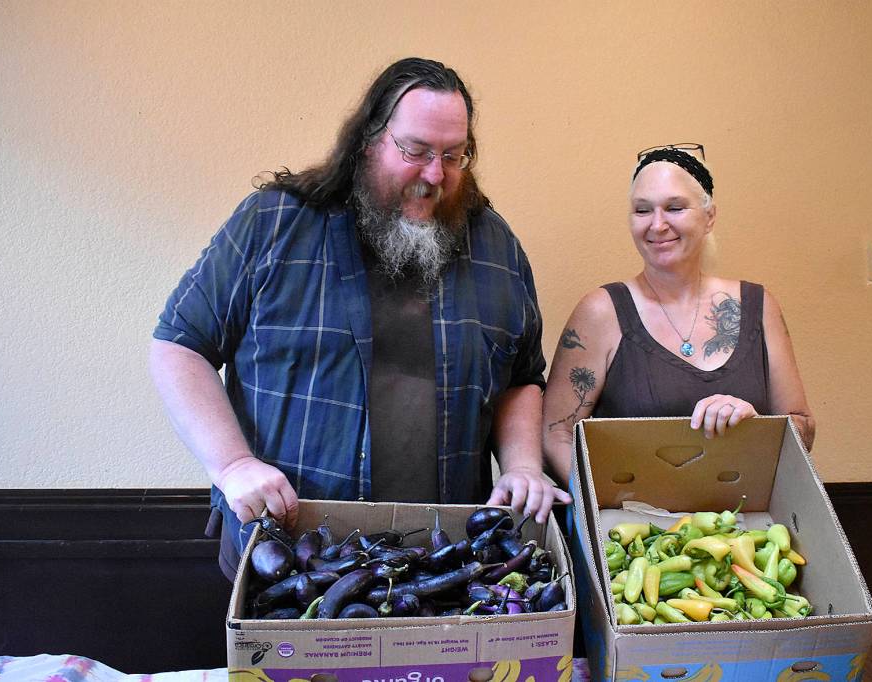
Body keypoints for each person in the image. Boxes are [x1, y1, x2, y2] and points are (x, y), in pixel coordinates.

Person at [150, 57, 570, 579]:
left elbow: (522, 378)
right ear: (369, 140)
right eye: (415, 151)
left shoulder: (495, 246)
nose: (435, 174)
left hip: (441, 566)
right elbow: (179, 345)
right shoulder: (274, 224)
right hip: (288, 559)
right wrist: (232, 465)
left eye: (454, 155)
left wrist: (524, 465)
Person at [542, 144, 815, 488]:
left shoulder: (760, 306)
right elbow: (557, 433)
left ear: (709, 216)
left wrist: (758, 425)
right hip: (630, 529)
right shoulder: (601, 311)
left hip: (746, 527)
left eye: (674, 207)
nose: (657, 225)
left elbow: (803, 427)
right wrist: (601, 508)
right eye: (642, 210)